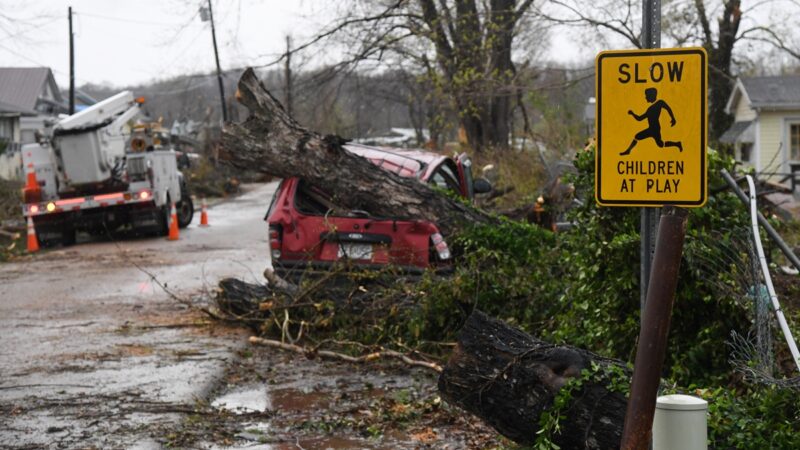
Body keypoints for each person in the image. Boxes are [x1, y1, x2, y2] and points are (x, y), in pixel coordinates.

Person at [620, 87, 683, 156]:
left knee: (660, 144)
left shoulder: (659, 103)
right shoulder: (649, 109)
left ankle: (677, 144)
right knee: (638, 137)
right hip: (651, 129)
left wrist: (673, 118)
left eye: (646, 95)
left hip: (655, 129)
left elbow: (668, 108)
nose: (645, 97)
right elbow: (640, 118)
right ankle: (628, 151)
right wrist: (633, 114)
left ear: (651, 96)